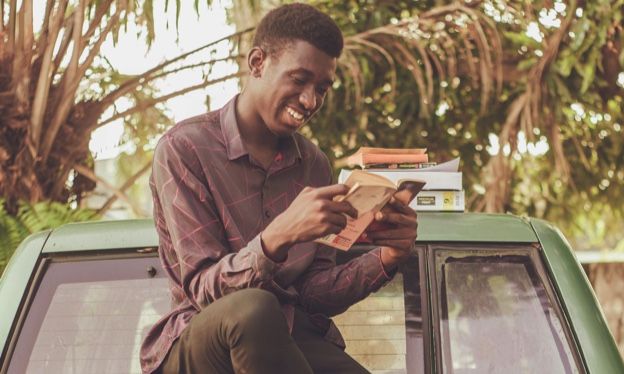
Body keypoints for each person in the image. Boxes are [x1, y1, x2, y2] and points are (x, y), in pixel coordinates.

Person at [140, 3, 418, 373]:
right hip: (200, 345)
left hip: (288, 338)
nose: (310, 101)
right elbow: (204, 290)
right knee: (254, 308)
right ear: (257, 63)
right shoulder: (184, 148)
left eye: (322, 88)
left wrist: (387, 257)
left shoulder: (315, 164)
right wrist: (278, 238)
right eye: (299, 80)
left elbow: (313, 294)